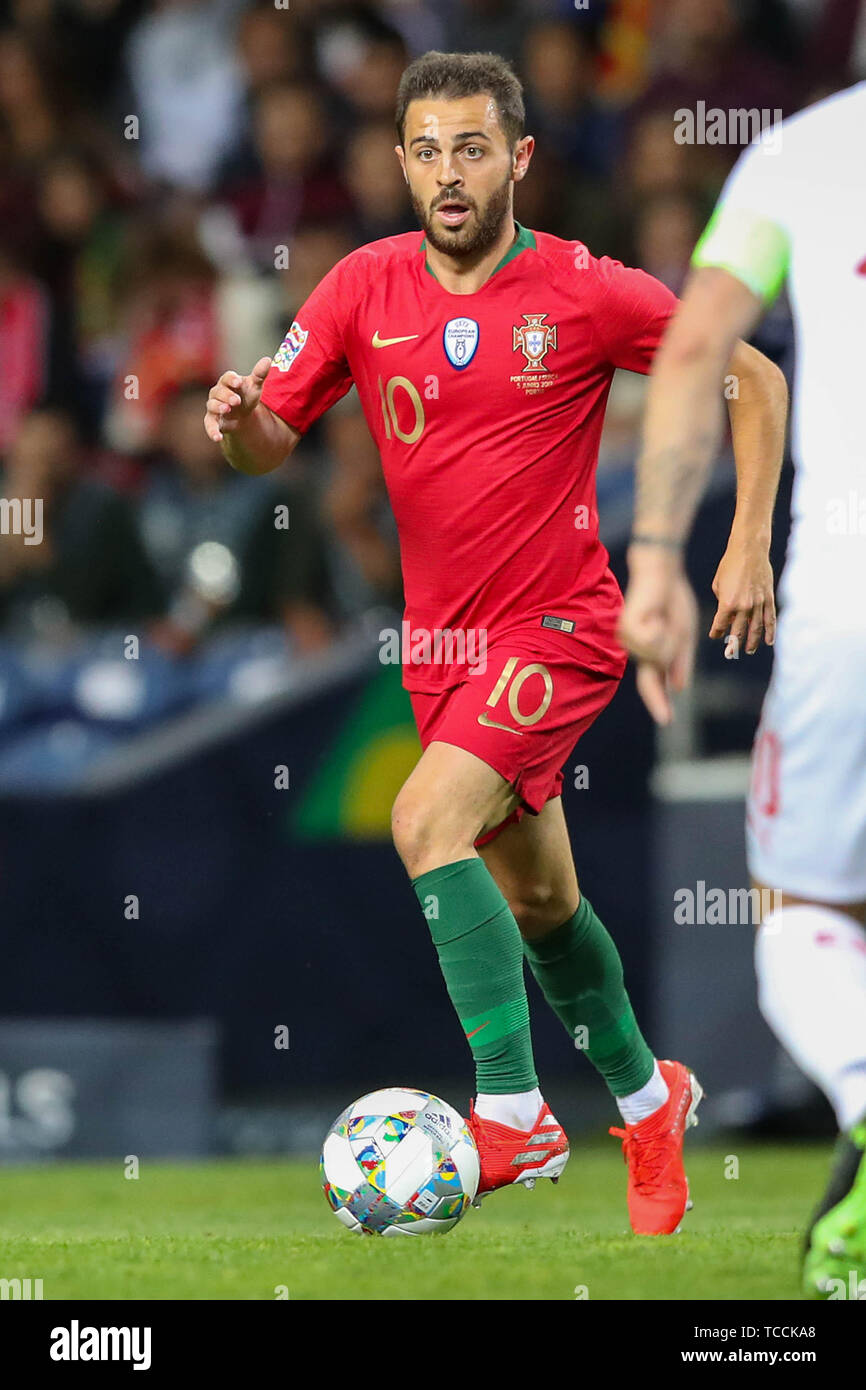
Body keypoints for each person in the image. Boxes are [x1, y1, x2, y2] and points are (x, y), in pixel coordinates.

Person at [203, 50, 786, 1235]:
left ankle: (513, 1110)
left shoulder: (583, 289)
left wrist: (748, 543)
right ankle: (646, 1093)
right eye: (424, 150)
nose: (446, 174)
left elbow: (750, 377)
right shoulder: (362, 284)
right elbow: (269, 443)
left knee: (422, 822)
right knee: (543, 909)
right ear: (402, 162)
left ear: (516, 157)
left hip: (559, 628)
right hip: (440, 656)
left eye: (470, 148)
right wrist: (239, 422)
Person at [618, 81, 866, 1292]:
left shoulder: (799, 157)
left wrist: (659, 557)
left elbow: (700, 342)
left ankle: (864, 1104)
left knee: (801, 912)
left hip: (845, 598)